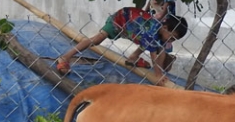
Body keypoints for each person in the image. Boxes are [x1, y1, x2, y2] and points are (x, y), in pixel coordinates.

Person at [55, 6, 188, 81]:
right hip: (121, 20)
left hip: (135, 29)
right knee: (97, 39)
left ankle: (133, 58)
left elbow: (162, 52)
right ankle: (66, 57)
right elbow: (154, 55)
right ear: (165, 28)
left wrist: (162, 71)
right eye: (172, 37)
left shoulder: (161, 34)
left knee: (149, 42)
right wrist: (158, 74)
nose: (171, 41)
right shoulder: (153, 31)